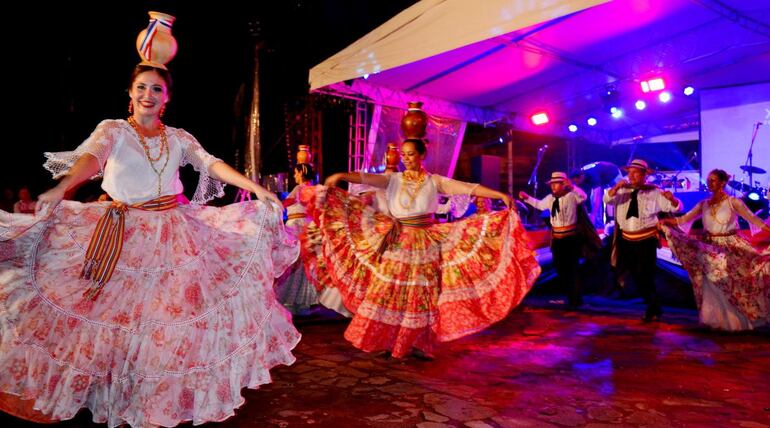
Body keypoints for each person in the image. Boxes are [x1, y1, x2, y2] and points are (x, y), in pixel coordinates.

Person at [0, 14, 299, 427]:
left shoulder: (178, 138)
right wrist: (61, 188)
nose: (147, 94)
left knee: (165, 324)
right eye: (140, 88)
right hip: (120, 234)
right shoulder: (114, 130)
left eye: (155, 89)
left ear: (166, 98)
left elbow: (210, 164)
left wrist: (258, 187)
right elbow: (90, 160)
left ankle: (151, 404)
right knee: (113, 322)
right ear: (129, 94)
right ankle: (110, 396)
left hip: (174, 232)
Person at [312, 138, 541, 359]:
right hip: (398, 240)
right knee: (390, 292)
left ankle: (418, 344)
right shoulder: (393, 179)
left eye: (411, 154)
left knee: (421, 296)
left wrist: (499, 194)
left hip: (426, 243)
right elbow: (366, 177)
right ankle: (386, 340)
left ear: (422, 155)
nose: (407, 158)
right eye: (404, 154)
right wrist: (340, 175)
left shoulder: (435, 181)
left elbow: (468, 188)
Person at [660, 169, 770, 331]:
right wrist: (667, 221)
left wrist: (768, 229)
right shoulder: (703, 204)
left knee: (729, 281)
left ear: (722, 182)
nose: (709, 183)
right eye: (708, 180)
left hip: (730, 246)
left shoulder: (734, 202)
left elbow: (753, 219)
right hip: (708, 247)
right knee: (710, 282)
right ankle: (715, 321)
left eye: (713, 180)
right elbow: (683, 219)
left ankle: (735, 323)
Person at [604, 159, 682, 322]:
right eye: (629, 172)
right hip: (626, 239)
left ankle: (652, 306)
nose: (631, 176)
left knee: (644, 273)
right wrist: (616, 187)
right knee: (634, 273)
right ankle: (653, 304)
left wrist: (672, 199)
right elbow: (607, 200)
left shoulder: (654, 192)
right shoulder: (621, 191)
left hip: (646, 239)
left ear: (645, 175)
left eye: (635, 172)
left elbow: (676, 208)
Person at [520, 171, 588, 309]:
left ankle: (576, 299)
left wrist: (573, 187)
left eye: (556, 184)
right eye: (552, 184)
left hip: (570, 238)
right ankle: (570, 297)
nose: (553, 187)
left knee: (572, 268)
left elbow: (583, 196)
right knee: (561, 268)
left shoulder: (572, 196)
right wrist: (527, 198)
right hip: (557, 239)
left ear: (563, 184)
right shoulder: (550, 198)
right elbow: (540, 205)